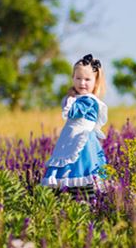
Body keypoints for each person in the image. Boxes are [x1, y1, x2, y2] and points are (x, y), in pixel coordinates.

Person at [41, 54, 108, 199]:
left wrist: (70, 98)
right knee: (67, 170)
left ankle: (85, 200)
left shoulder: (88, 101)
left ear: (96, 82)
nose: (82, 83)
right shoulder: (78, 99)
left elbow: (71, 111)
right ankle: (66, 199)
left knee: (82, 171)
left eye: (87, 79)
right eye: (78, 78)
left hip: (82, 143)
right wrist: (71, 97)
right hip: (69, 140)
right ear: (73, 79)